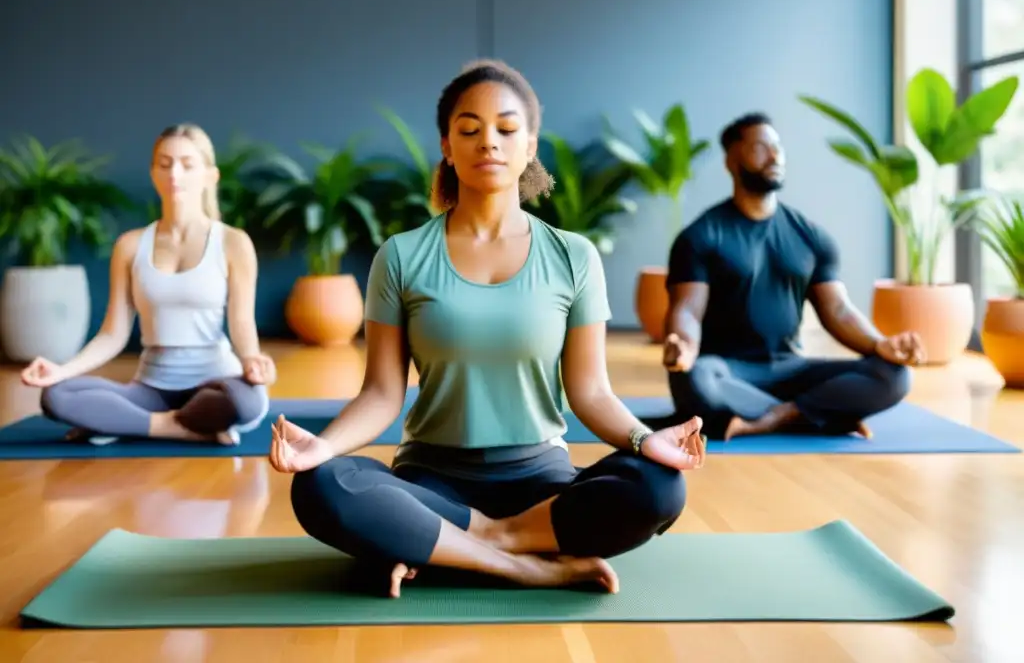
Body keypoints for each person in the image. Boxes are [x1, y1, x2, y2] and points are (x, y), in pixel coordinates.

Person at [268, 60, 706, 598]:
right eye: (469, 130)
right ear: (447, 147)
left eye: (506, 129)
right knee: (323, 484)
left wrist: (645, 439)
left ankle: (461, 548)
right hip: (432, 483)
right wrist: (321, 447)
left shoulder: (574, 257)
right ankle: (522, 563)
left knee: (660, 487)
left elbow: (590, 392)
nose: (488, 143)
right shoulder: (401, 256)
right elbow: (382, 393)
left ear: (530, 146)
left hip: (542, 486)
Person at [661, 112, 923, 442]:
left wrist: (880, 343)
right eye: (760, 147)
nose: (774, 156)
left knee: (895, 376)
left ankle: (777, 417)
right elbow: (687, 309)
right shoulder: (700, 236)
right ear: (731, 159)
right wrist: (682, 345)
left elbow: (838, 311)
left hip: (791, 368)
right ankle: (820, 414)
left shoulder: (811, 236)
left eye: (778, 147)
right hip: (728, 370)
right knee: (695, 379)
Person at [21, 123, 276, 446]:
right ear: (153, 172)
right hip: (150, 389)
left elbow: (241, 323)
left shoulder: (233, 242)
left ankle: (126, 423)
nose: (175, 174)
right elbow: (113, 334)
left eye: (187, 164)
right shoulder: (130, 246)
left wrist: (253, 360)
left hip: (216, 384)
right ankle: (175, 426)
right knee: (57, 395)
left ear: (210, 176)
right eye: (164, 164)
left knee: (245, 402)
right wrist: (61, 370)